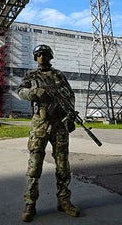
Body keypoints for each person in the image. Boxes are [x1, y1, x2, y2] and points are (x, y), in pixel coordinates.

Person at [17, 44, 80, 222]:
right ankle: (30, 204)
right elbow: (20, 91)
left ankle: (64, 201)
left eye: (45, 54)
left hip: (59, 124)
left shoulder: (59, 75)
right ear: (35, 57)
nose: (42, 57)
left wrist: (70, 117)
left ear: (50, 57)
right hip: (40, 124)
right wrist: (33, 92)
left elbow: (70, 96)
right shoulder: (31, 75)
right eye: (38, 54)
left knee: (63, 166)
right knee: (35, 165)